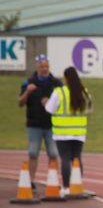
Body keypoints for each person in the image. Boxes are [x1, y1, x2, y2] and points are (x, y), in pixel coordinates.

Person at [45, 66, 92, 196]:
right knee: (77, 158)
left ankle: (66, 188)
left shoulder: (59, 92)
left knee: (65, 159)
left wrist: (45, 102)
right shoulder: (84, 92)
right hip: (79, 133)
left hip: (62, 133)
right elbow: (90, 109)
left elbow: (49, 109)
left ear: (66, 78)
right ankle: (77, 186)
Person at [17, 54, 62, 191]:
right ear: (37, 66)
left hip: (51, 125)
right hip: (34, 125)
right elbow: (20, 103)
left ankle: (53, 181)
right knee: (33, 153)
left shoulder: (57, 83)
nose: (44, 68)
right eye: (42, 66)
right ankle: (30, 181)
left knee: (53, 154)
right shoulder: (28, 82)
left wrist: (51, 104)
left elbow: (64, 102)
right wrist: (27, 93)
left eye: (46, 66)